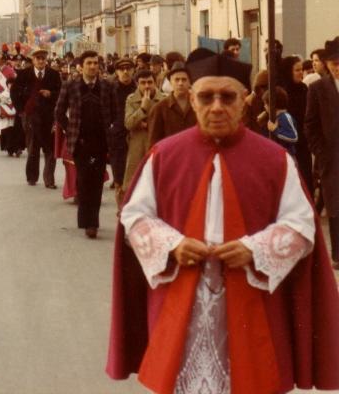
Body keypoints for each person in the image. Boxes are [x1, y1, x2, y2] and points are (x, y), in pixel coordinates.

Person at [108, 49, 339, 393]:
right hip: (181, 292)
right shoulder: (164, 156)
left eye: (227, 96)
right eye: (206, 96)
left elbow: (302, 224)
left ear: (244, 101)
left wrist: (255, 248)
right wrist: (173, 244)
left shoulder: (274, 160)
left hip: (252, 294)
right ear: (193, 99)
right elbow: (135, 216)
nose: (217, 106)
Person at [55, 50, 116, 238]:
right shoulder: (71, 85)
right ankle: (85, 220)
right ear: (81, 66)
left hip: (100, 141)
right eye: (89, 63)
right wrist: (69, 129)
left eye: (96, 63)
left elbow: (115, 111)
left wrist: (109, 128)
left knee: (97, 182)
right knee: (83, 180)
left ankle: (93, 223)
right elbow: (59, 112)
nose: (93, 66)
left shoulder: (106, 86)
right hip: (79, 142)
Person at [305, 36, 339, 270]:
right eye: (334, 62)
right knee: (335, 206)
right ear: (327, 64)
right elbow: (310, 124)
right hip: (332, 157)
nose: (337, 67)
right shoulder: (318, 88)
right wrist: (321, 152)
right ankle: (338, 254)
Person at [13, 48, 62, 188]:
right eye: (38, 58)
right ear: (33, 60)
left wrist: (51, 94)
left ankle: (49, 180)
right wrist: (21, 110)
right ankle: (32, 177)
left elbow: (60, 92)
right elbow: (14, 92)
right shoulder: (24, 74)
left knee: (50, 149)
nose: (41, 61)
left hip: (49, 116)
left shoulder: (53, 74)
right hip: (30, 116)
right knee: (33, 147)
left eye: (43, 58)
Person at [121, 69, 164, 204]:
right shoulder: (131, 100)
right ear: (137, 84)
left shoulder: (164, 99)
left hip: (157, 145)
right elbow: (128, 123)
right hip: (137, 146)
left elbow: (163, 122)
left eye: (150, 82)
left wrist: (146, 123)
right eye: (143, 83)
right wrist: (143, 109)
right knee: (132, 183)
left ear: (155, 83)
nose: (147, 86)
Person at [278, 55, 313, 193]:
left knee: (305, 175)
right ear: (288, 71)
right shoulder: (282, 91)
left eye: (301, 70)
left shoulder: (304, 88)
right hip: (288, 141)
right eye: (297, 70)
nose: (301, 73)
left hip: (303, 140)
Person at [147, 61, 196, 147]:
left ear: (189, 82)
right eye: (176, 80)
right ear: (170, 82)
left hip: (193, 154)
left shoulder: (198, 105)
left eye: (184, 79)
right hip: (170, 155)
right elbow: (153, 141)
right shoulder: (160, 108)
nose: (180, 83)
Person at [110, 57, 137, 201]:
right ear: (117, 72)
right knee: (119, 173)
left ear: (133, 70)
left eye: (129, 69)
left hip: (135, 135)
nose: (125, 72)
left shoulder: (140, 88)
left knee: (135, 174)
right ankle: (121, 207)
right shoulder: (110, 89)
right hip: (117, 136)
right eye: (122, 69)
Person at [263, 86, 298, 158]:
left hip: (288, 156)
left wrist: (276, 130)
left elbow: (293, 137)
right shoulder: (276, 117)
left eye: (266, 104)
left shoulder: (285, 117)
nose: (264, 106)